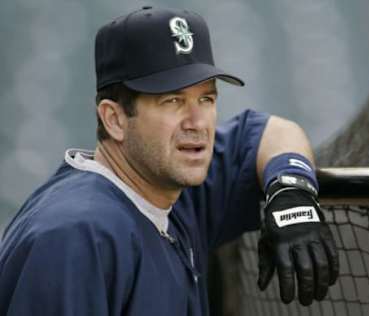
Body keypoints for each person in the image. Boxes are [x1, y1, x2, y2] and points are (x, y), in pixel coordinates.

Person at [0, 6, 338, 316]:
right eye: (172, 100)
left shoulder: (168, 190)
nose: (197, 122)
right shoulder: (75, 238)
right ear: (114, 119)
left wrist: (291, 194)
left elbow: (270, 131)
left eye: (206, 98)